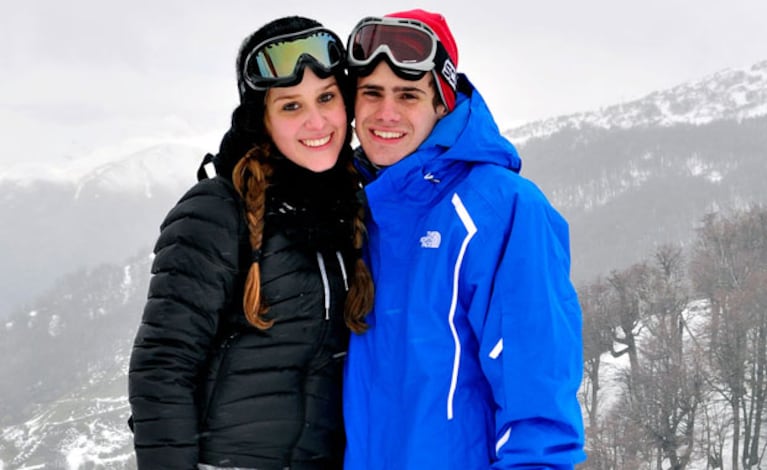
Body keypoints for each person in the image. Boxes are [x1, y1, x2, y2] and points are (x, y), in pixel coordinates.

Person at [342, 9, 586, 469]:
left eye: (408, 95)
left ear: (443, 103)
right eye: (371, 93)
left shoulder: (500, 209)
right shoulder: (351, 211)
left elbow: (538, 408)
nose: (385, 113)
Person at [128, 16, 373, 470]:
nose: (316, 121)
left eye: (326, 97)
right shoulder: (218, 211)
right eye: (290, 106)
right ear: (262, 118)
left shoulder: (352, 207)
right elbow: (162, 368)